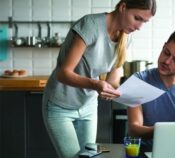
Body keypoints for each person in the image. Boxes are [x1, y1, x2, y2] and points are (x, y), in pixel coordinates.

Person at [42, 0, 156, 157]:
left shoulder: (126, 37)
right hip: (60, 105)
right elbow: (63, 73)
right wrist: (96, 84)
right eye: (137, 18)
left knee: (89, 156)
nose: (139, 26)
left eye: (144, 21)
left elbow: (114, 74)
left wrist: (113, 89)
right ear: (123, 7)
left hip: (88, 105)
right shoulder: (90, 25)